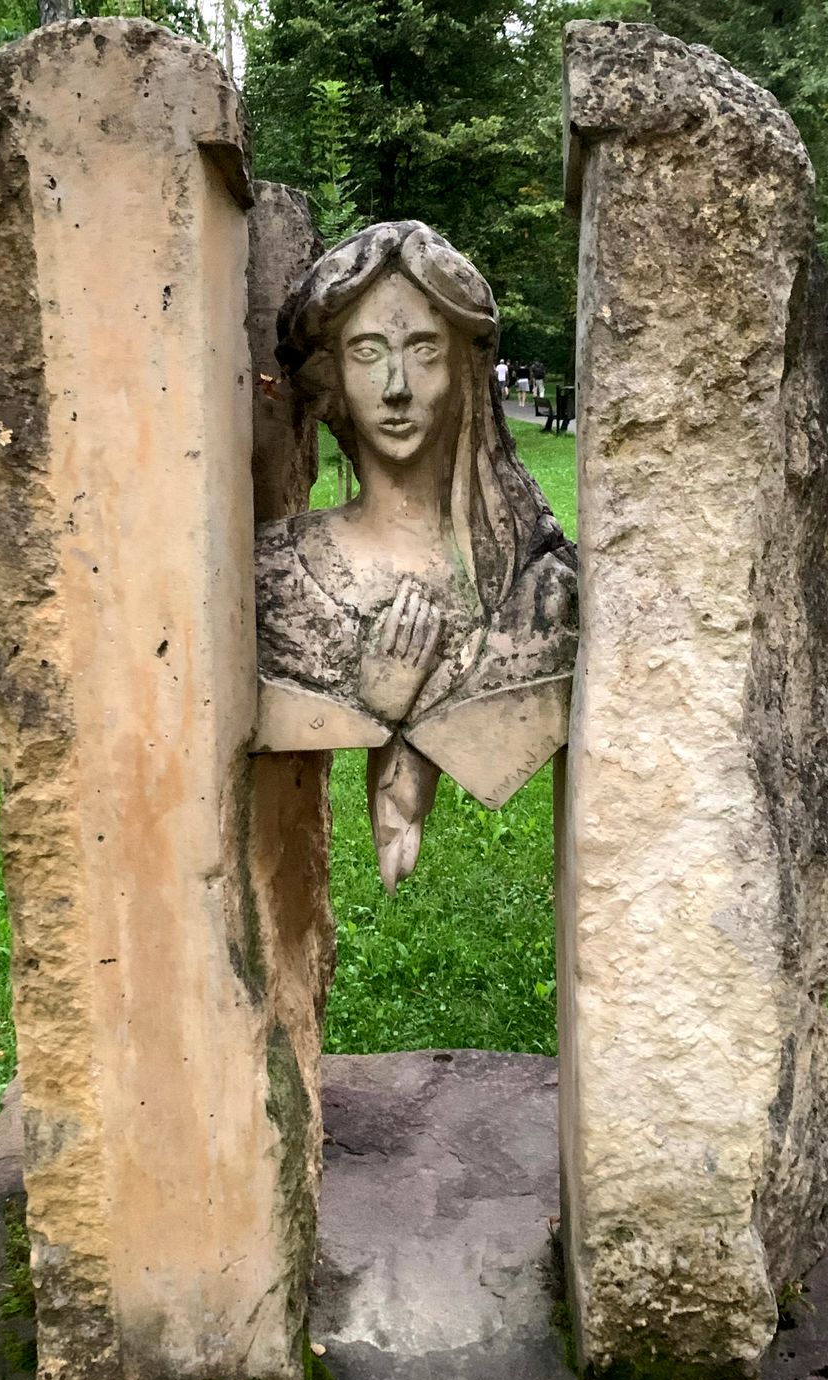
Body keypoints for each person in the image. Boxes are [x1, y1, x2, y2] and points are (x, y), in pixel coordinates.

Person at [255, 221, 577, 889]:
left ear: (464, 371)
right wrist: (376, 702)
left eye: (424, 350)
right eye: (368, 352)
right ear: (333, 373)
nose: (396, 385)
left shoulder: (541, 593)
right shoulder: (275, 578)